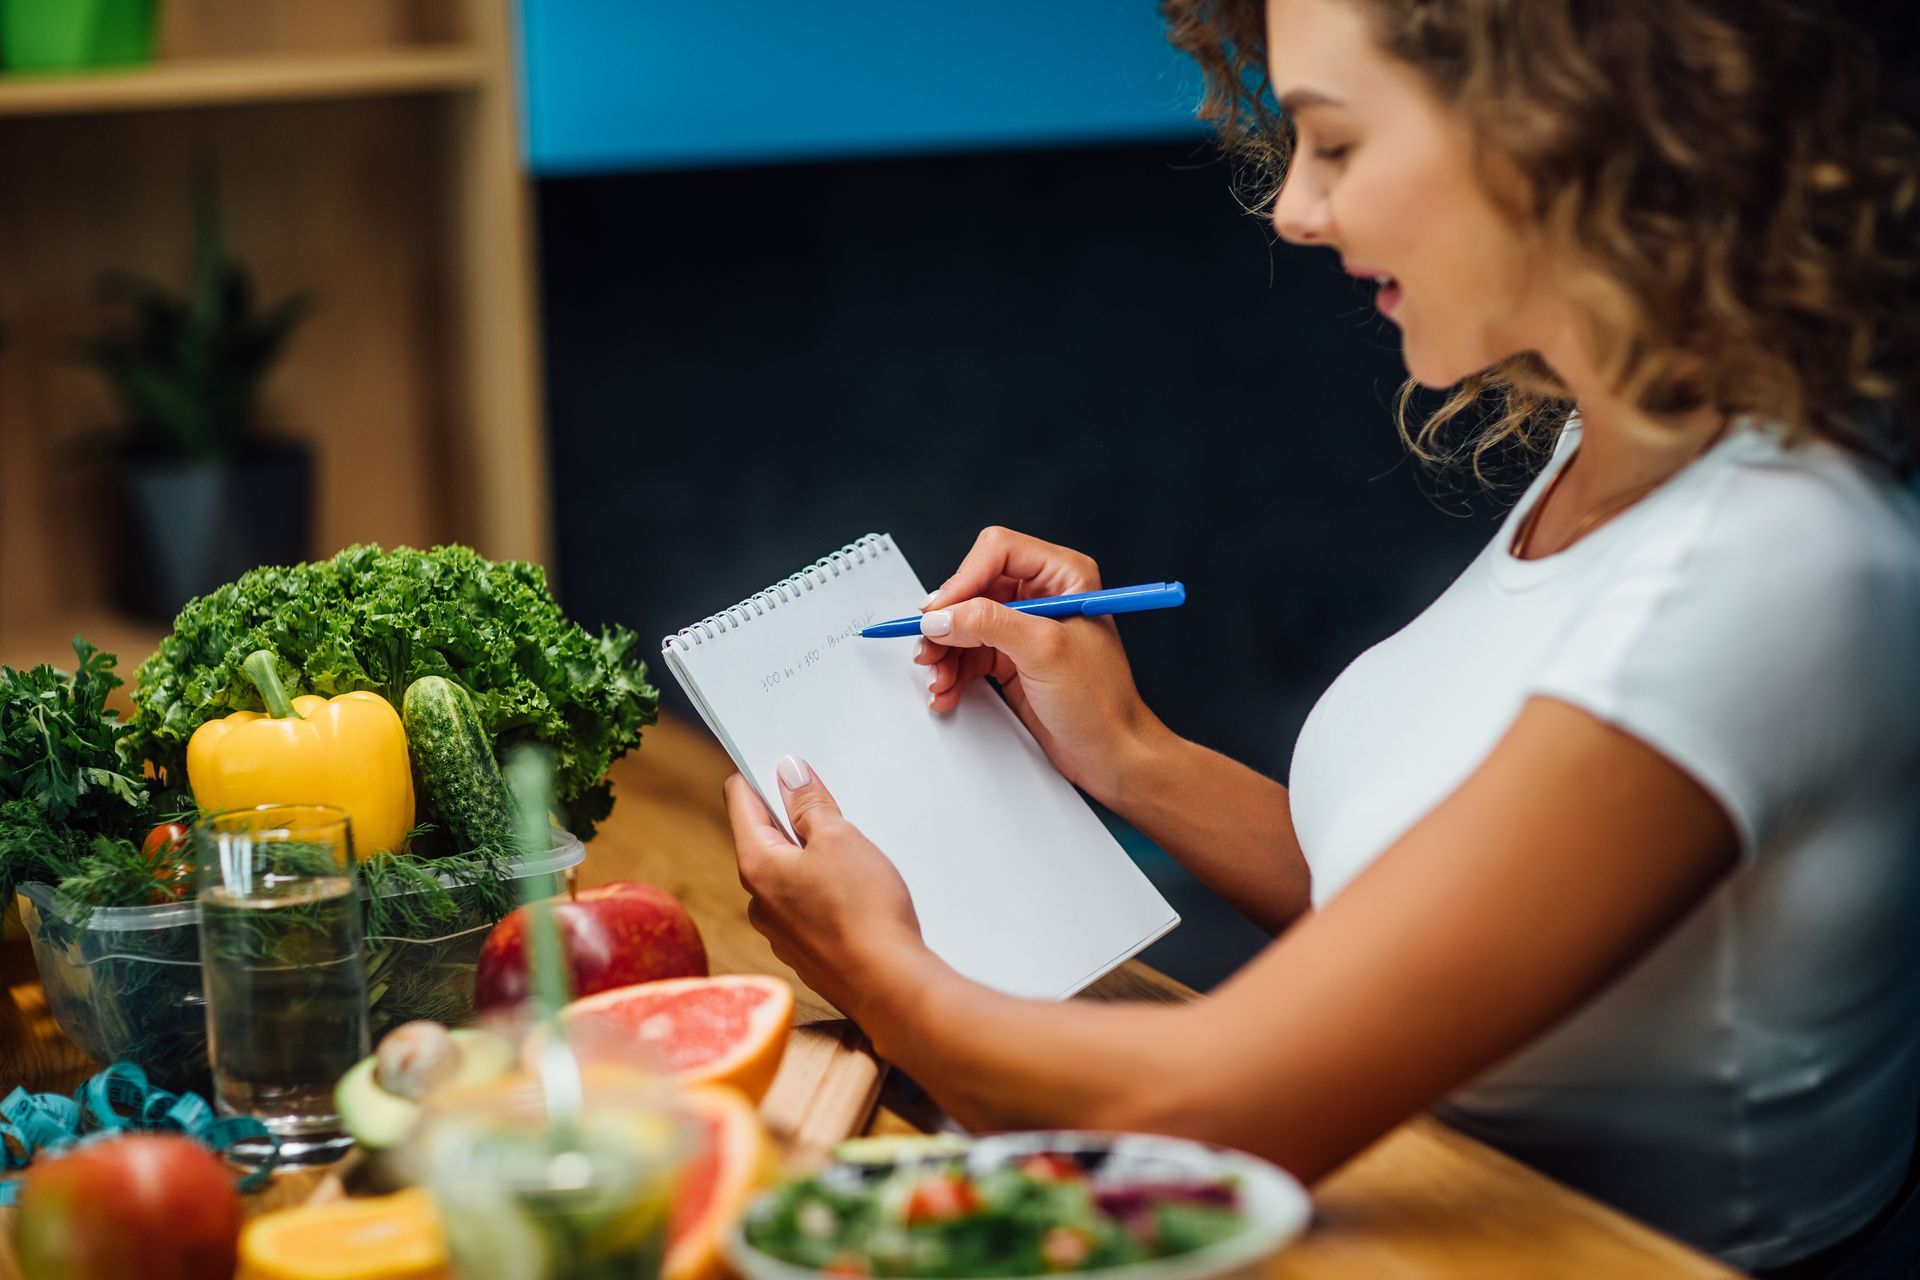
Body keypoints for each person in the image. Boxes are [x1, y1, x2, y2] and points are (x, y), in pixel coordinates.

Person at [722, 0, 1920, 1270]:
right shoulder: (1615, 446)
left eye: (1336, 143)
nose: (1294, 207)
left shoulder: (1767, 569)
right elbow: (1426, 911)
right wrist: (1128, 750)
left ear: (1560, 128)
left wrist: (876, 966)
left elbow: (1197, 1109)